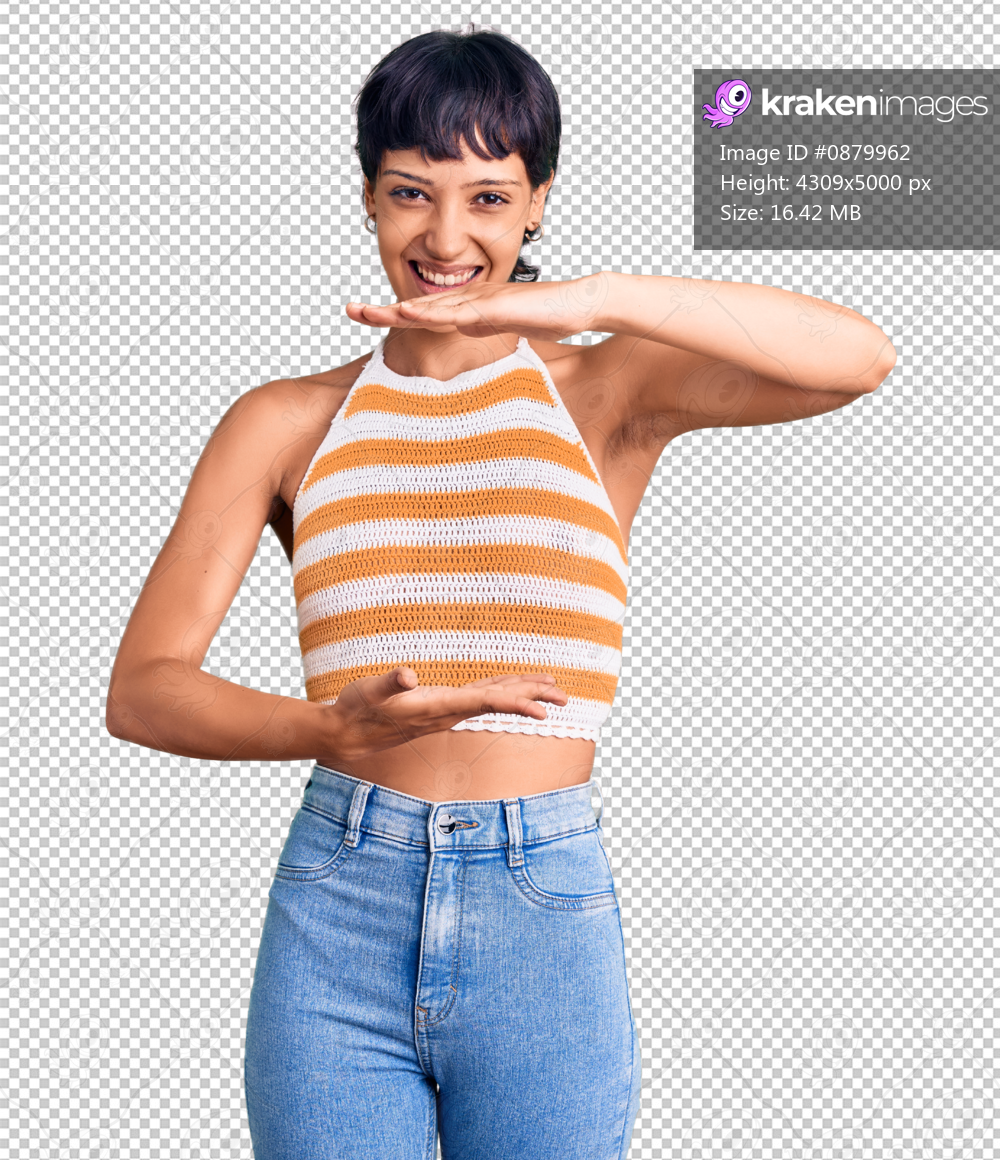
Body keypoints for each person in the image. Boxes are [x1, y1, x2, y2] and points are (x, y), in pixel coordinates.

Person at [106, 27, 896, 1160]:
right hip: (341, 899)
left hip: (543, 904)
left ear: (538, 204)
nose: (444, 236)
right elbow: (143, 690)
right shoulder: (282, 421)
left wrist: (563, 304)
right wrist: (328, 726)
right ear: (369, 198)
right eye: (409, 194)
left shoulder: (604, 387)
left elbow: (857, 354)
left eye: (488, 197)